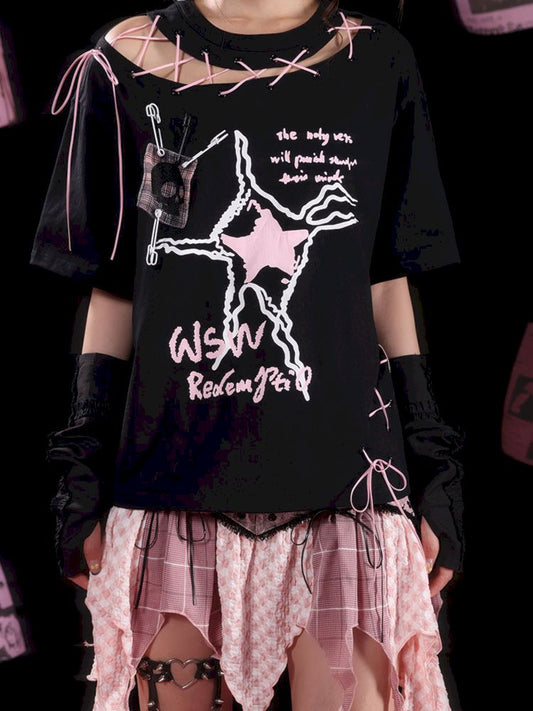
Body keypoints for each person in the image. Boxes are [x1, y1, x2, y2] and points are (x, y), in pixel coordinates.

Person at [30, 1, 465, 709]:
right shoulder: (123, 59)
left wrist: (434, 464)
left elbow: (386, 281)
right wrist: (78, 468)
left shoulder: (376, 58)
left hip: (347, 491)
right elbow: (115, 290)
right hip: (175, 486)